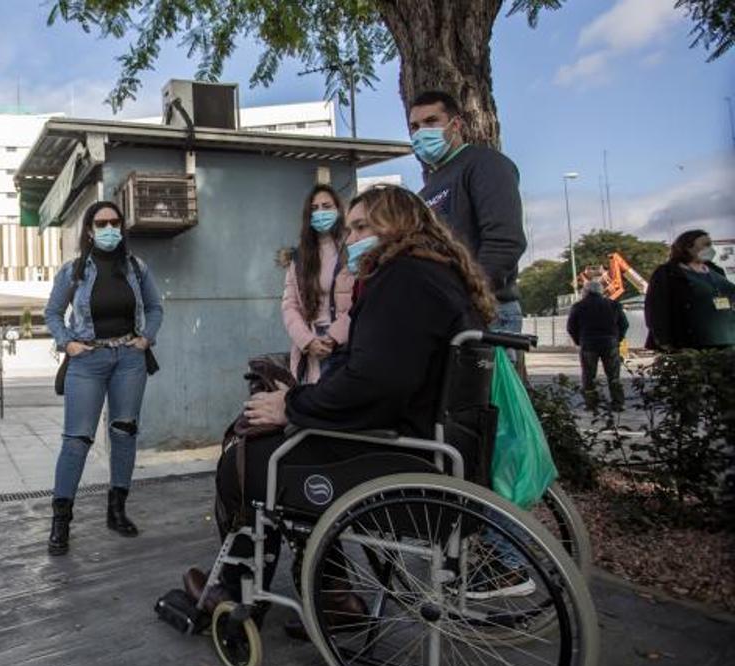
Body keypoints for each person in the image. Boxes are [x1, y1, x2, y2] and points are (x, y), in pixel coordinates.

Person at [184, 186, 501, 631]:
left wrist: (290, 405)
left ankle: (244, 590)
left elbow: (375, 383)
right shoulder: (439, 276)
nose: (350, 237)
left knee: (248, 457)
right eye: (349, 228)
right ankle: (331, 594)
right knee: (281, 451)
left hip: (396, 450)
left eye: (362, 226)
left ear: (400, 224)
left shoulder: (404, 278)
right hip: (429, 441)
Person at [42, 200, 164, 556]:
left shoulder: (137, 268)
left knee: (124, 431)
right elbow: (52, 313)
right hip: (88, 360)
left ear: (121, 227)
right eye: (101, 223)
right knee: (77, 439)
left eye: (115, 222)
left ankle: (117, 510)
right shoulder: (73, 271)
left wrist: (147, 337)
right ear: (90, 230)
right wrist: (68, 343)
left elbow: (155, 307)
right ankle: (61, 520)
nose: (109, 228)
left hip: (129, 358)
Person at [410, 91, 527, 335]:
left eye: (431, 121)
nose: (421, 131)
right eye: (415, 126)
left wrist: (470, 297)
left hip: (487, 313)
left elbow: (504, 242)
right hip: (447, 313)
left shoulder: (485, 165)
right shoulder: (428, 188)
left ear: (456, 124)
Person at [279, 184, 352, 383]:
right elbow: (289, 305)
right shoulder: (299, 257)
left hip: (345, 346)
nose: (320, 212)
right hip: (310, 348)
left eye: (327, 206)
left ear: (338, 210)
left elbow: (361, 300)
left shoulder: (353, 249)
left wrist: (335, 336)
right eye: (314, 208)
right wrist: (307, 341)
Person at [645, 229, 735, 352]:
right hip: (692, 344)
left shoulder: (716, 271)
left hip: (727, 339)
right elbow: (656, 309)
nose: (710, 249)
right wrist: (664, 341)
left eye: (711, 244)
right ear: (687, 248)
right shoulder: (668, 273)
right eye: (706, 245)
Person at [567, 279, 629, 411]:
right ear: (601, 291)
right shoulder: (613, 305)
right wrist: (617, 339)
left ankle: (591, 404)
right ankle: (618, 403)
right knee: (613, 375)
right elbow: (624, 324)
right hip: (610, 343)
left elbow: (571, 327)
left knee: (589, 376)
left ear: (586, 291)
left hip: (588, 344)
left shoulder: (578, 306)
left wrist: (579, 340)